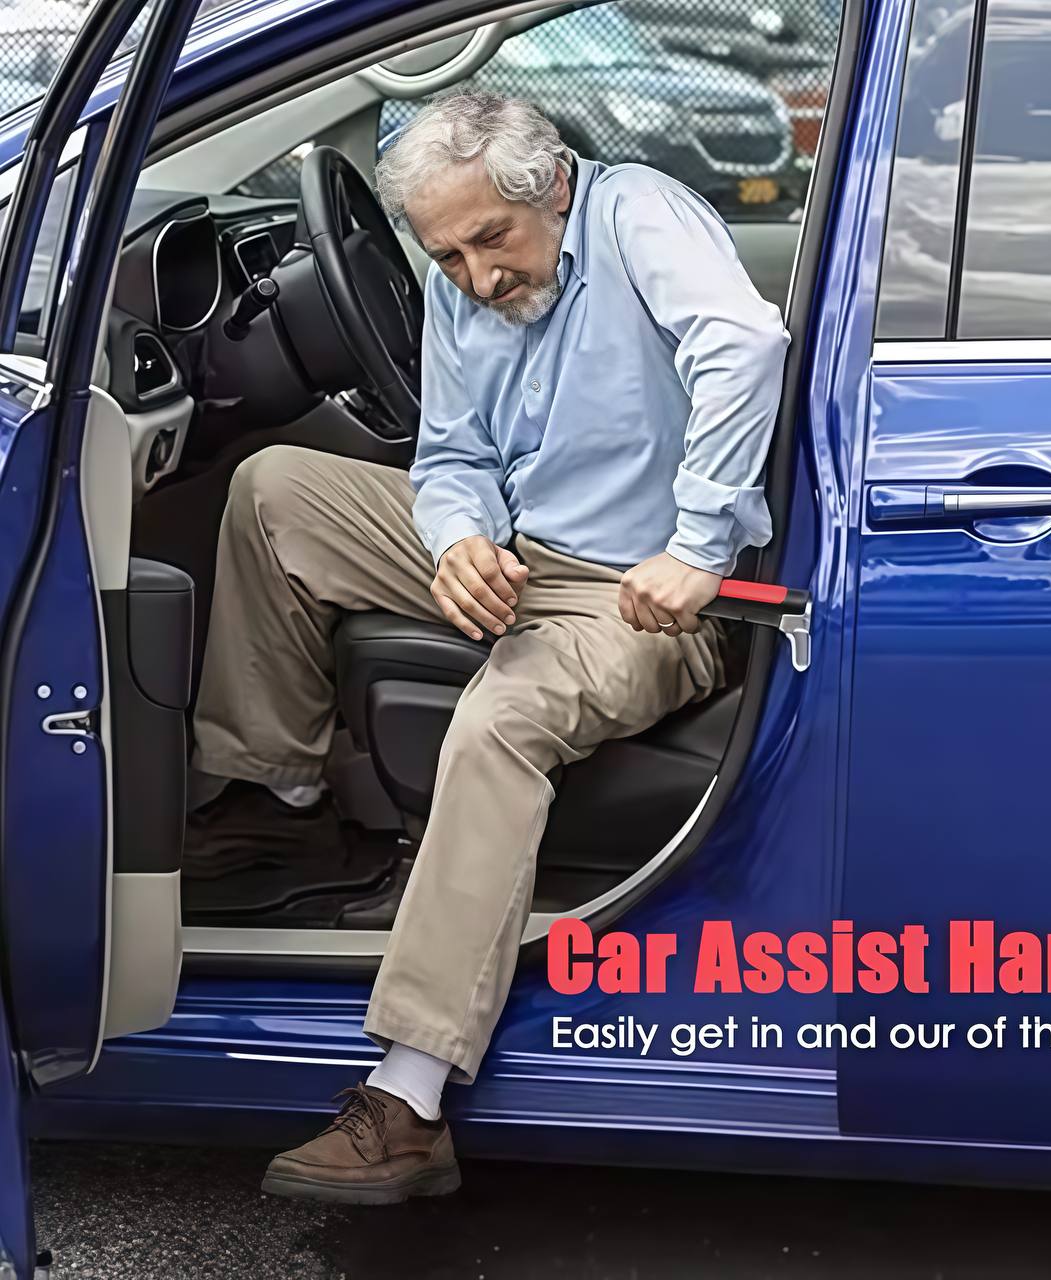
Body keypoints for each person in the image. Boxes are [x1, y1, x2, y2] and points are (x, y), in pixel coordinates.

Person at [187, 90, 788, 1204]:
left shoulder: (635, 216)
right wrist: (456, 534)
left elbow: (742, 341)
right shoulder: (465, 280)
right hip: (518, 550)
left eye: (491, 242)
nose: (473, 276)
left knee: (500, 719)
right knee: (275, 491)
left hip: (639, 593)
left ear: (549, 183)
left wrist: (698, 542)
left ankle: (408, 1096)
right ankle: (275, 806)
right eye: (446, 252)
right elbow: (453, 449)